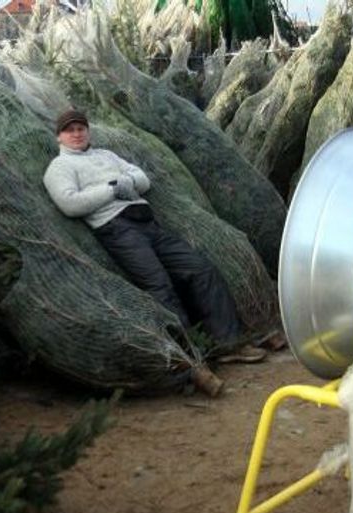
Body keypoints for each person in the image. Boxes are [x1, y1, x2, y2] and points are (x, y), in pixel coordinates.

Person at [43, 108, 266, 397]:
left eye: (80, 128)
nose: (76, 134)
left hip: (146, 222)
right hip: (115, 228)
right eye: (69, 130)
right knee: (159, 285)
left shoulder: (107, 156)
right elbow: (69, 203)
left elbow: (142, 178)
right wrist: (113, 189)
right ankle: (190, 360)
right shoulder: (59, 168)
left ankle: (229, 343)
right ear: (59, 136)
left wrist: (128, 182)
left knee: (200, 269)